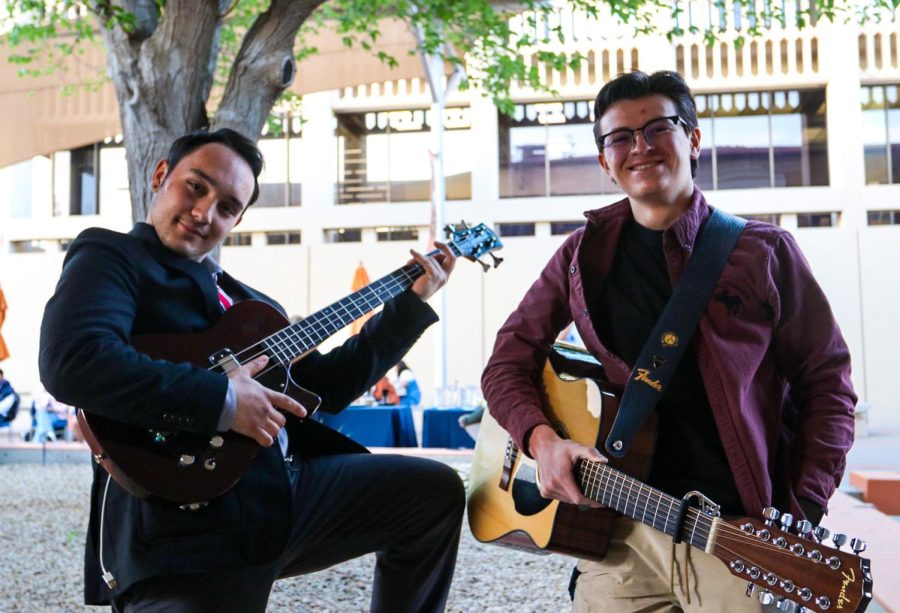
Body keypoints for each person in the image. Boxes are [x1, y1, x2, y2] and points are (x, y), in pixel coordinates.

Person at [39, 128, 465, 612]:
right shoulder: (113, 256)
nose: (205, 213)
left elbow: (330, 386)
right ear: (160, 175)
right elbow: (74, 360)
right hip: (185, 517)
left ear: (238, 220)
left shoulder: (253, 304)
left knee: (433, 494)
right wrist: (223, 402)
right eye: (195, 187)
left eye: (226, 207)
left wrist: (408, 308)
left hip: (285, 492)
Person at [481, 70, 856, 612]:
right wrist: (543, 441)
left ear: (694, 139)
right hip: (619, 534)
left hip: (735, 538)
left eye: (659, 128)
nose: (641, 147)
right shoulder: (579, 257)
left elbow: (830, 387)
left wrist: (800, 514)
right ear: (605, 163)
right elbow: (505, 364)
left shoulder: (765, 252)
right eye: (620, 138)